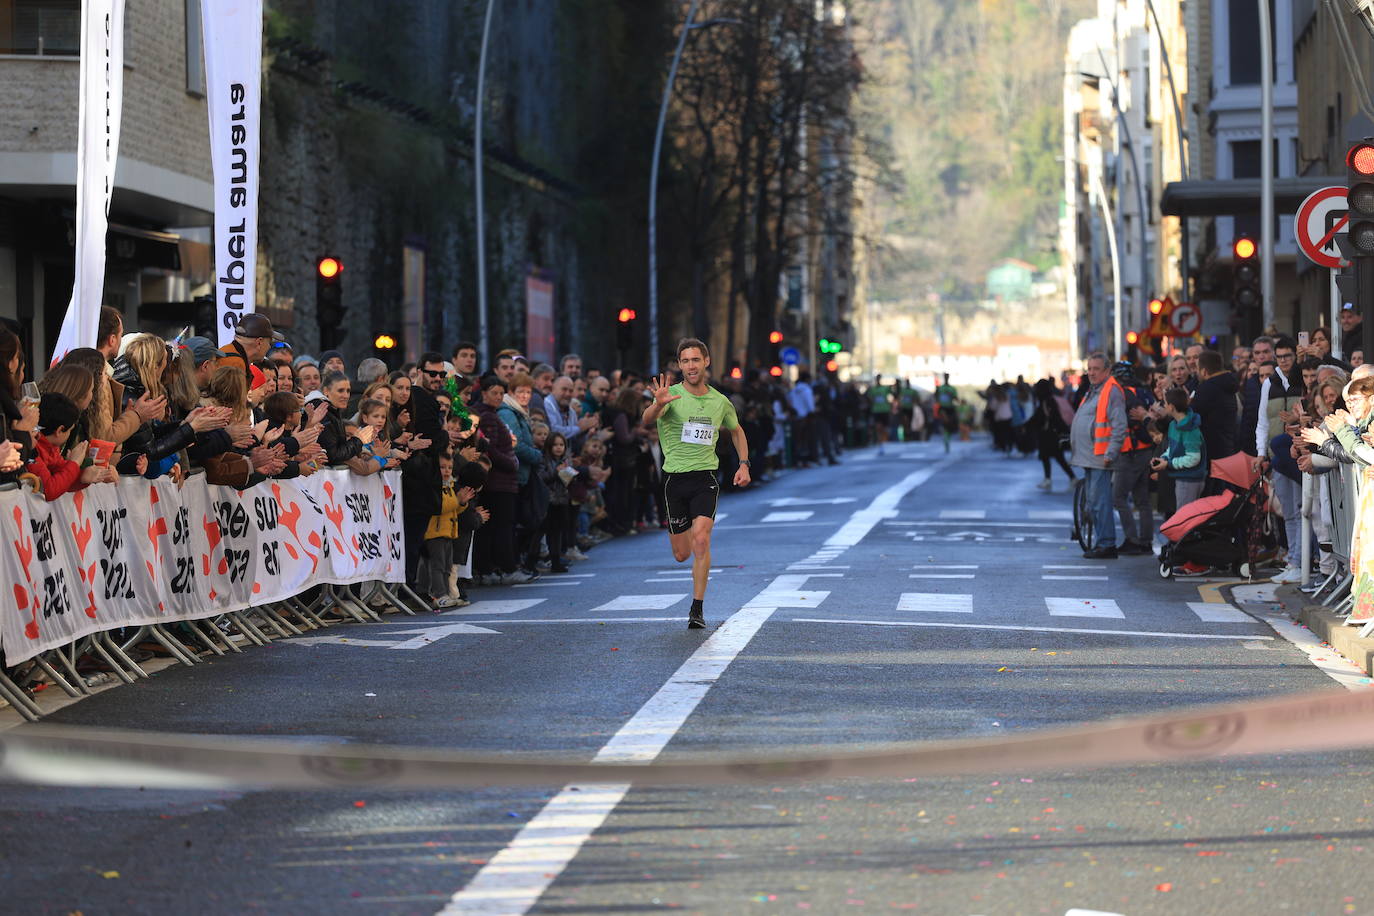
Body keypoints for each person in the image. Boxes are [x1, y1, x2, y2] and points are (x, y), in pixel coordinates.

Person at [644, 338, 750, 629]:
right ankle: (689, 563)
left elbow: (737, 431)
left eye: (696, 360)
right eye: (685, 361)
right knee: (682, 554)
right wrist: (658, 405)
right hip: (674, 480)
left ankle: (697, 608)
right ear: (680, 365)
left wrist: (744, 464)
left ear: (706, 362)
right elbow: (646, 419)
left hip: (705, 478)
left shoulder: (720, 401)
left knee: (702, 539)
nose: (691, 366)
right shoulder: (671, 395)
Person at [1068, 353, 1124, 559]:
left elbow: (1119, 425)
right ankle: (1103, 542)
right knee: (1094, 500)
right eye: (1089, 368)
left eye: (1096, 368)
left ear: (1107, 371)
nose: (1091, 372)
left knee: (1100, 501)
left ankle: (1106, 544)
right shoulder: (1095, 390)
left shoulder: (1111, 391)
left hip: (1101, 456)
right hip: (1091, 455)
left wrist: (1111, 451)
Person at [1152, 386, 1206, 508]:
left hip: (1189, 480)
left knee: (1185, 521)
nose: (1164, 406)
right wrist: (1163, 459)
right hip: (1182, 477)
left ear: (1171, 407)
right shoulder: (1173, 424)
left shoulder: (1190, 430)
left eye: (1165, 403)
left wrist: (1169, 464)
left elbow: (1193, 458)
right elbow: (1172, 448)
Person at [1029, 378, 1074, 489]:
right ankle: (1068, 478)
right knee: (1055, 458)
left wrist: (1028, 425)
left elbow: (1051, 418)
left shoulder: (1047, 401)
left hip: (1048, 435)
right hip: (1050, 434)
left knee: (1051, 457)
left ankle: (1052, 479)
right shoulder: (1048, 400)